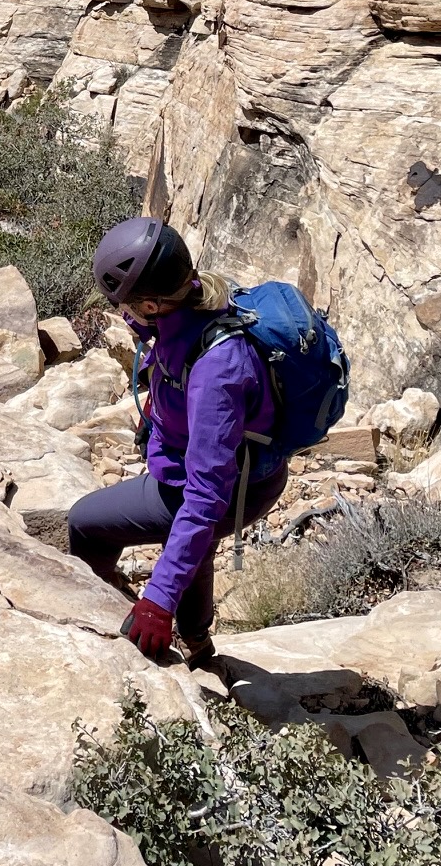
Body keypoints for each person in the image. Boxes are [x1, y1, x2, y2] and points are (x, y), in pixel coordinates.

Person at [67, 215, 288, 667]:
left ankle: (112, 613)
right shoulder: (195, 303)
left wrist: (158, 600)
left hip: (234, 488)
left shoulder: (217, 371)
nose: (122, 314)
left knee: (86, 524)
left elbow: (206, 495)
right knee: (191, 540)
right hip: (233, 469)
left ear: (151, 304)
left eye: (127, 306)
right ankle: (198, 643)